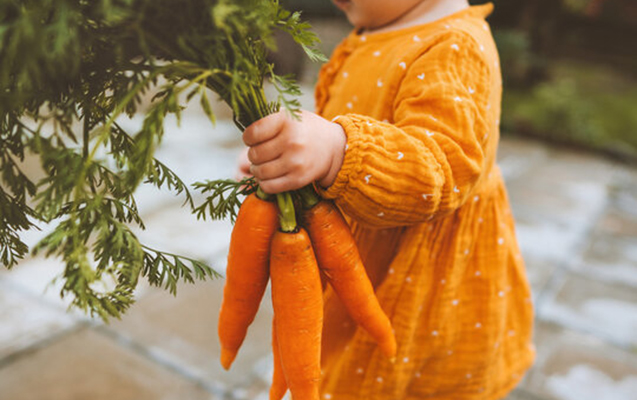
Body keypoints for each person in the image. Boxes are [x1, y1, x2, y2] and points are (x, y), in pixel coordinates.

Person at [238, 0, 535, 398]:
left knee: (398, 381)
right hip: (363, 254)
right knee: (338, 366)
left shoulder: (456, 46)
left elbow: (439, 170)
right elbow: (341, 112)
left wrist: (336, 151)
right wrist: (294, 155)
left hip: (420, 282)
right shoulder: (378, 27)